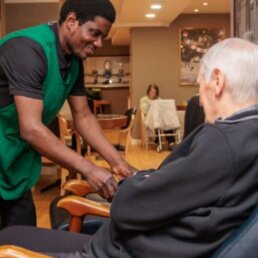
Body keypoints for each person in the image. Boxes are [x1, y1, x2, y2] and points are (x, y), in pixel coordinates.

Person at [1, 37, 258, 257]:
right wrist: (142, 179)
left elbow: (127, 208)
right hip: (128, 246)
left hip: (111, 252)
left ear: (217, 81)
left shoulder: (222, 141)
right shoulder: (246, 136)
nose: (200, 101)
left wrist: (135, 182)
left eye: (199, 85)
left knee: (8, 239)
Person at [0, 0, 135, 229]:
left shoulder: (75, 61)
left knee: (23, 239)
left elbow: (83, 116)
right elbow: (31, 128)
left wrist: (118, 163)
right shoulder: (27, 49)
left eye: (103, 36)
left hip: (15, 167)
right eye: (95, 33)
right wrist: (88, 168)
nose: (99, 43)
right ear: (71, 21)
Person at [140, 84, 177, 151]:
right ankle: (158, 143)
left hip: (159, 118)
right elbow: (144, 110)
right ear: (148, 92)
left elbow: (163, 110)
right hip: (149, 118)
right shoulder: (144, 99)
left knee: (166, 122)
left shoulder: (159, 99)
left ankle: (171, 143)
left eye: (155, 93)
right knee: (156, 124)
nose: (153, 94)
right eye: (152, 92)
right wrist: (152, 104)